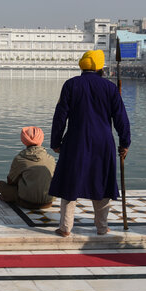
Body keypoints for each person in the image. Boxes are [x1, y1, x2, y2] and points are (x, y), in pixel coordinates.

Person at [48, 50, 130, 237]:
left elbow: (60, 116)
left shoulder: (71, 85)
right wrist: (125, 142)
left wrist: (56, 141)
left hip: (76, 141)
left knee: (70, 183)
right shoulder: (109, 88)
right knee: (102, 183)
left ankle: (65, 228)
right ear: (100, 67)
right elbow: (121, 119)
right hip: (103, 142)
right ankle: (102, 227)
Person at [0, 126, 56, 209]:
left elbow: (10, 181)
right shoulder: (51, 159)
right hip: (48, 202)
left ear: (23, 140)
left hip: (26, 202)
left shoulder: (20, 158)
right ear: (41, 139)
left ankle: (10, 198)